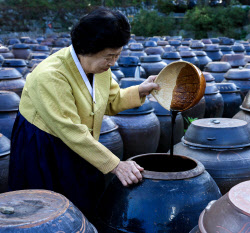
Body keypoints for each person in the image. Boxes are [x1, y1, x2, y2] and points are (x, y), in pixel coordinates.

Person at [8, 7, 159, 223]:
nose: (113, 63)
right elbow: (69, 130)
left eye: (117, 55)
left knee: (83, 201)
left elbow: (109, 100)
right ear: (87, 48)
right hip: (45, 146)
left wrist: (140, 90)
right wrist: (116, 165)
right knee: (48, 210)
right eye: (109, 56)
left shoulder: (99, 69)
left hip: (79, 141)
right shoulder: (51, 76)